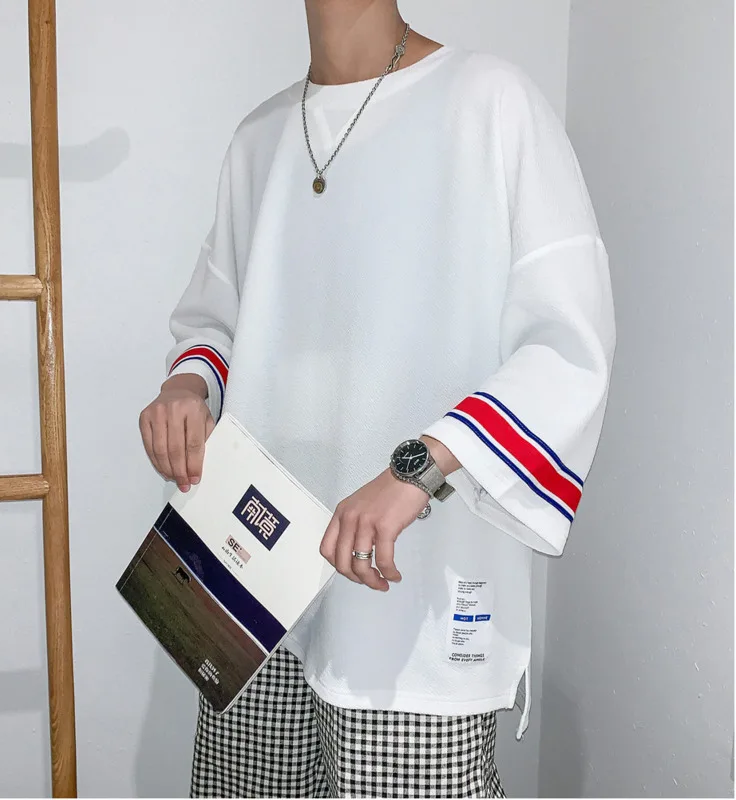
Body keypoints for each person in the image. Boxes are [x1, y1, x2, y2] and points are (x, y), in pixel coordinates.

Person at [139, 1, 616, 797]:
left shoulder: (490, 102)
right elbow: (214, 320)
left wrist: (416, 468)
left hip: (405, 590)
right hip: (251, 580)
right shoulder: (259, 137)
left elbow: (569, 345)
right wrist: (186, 386)